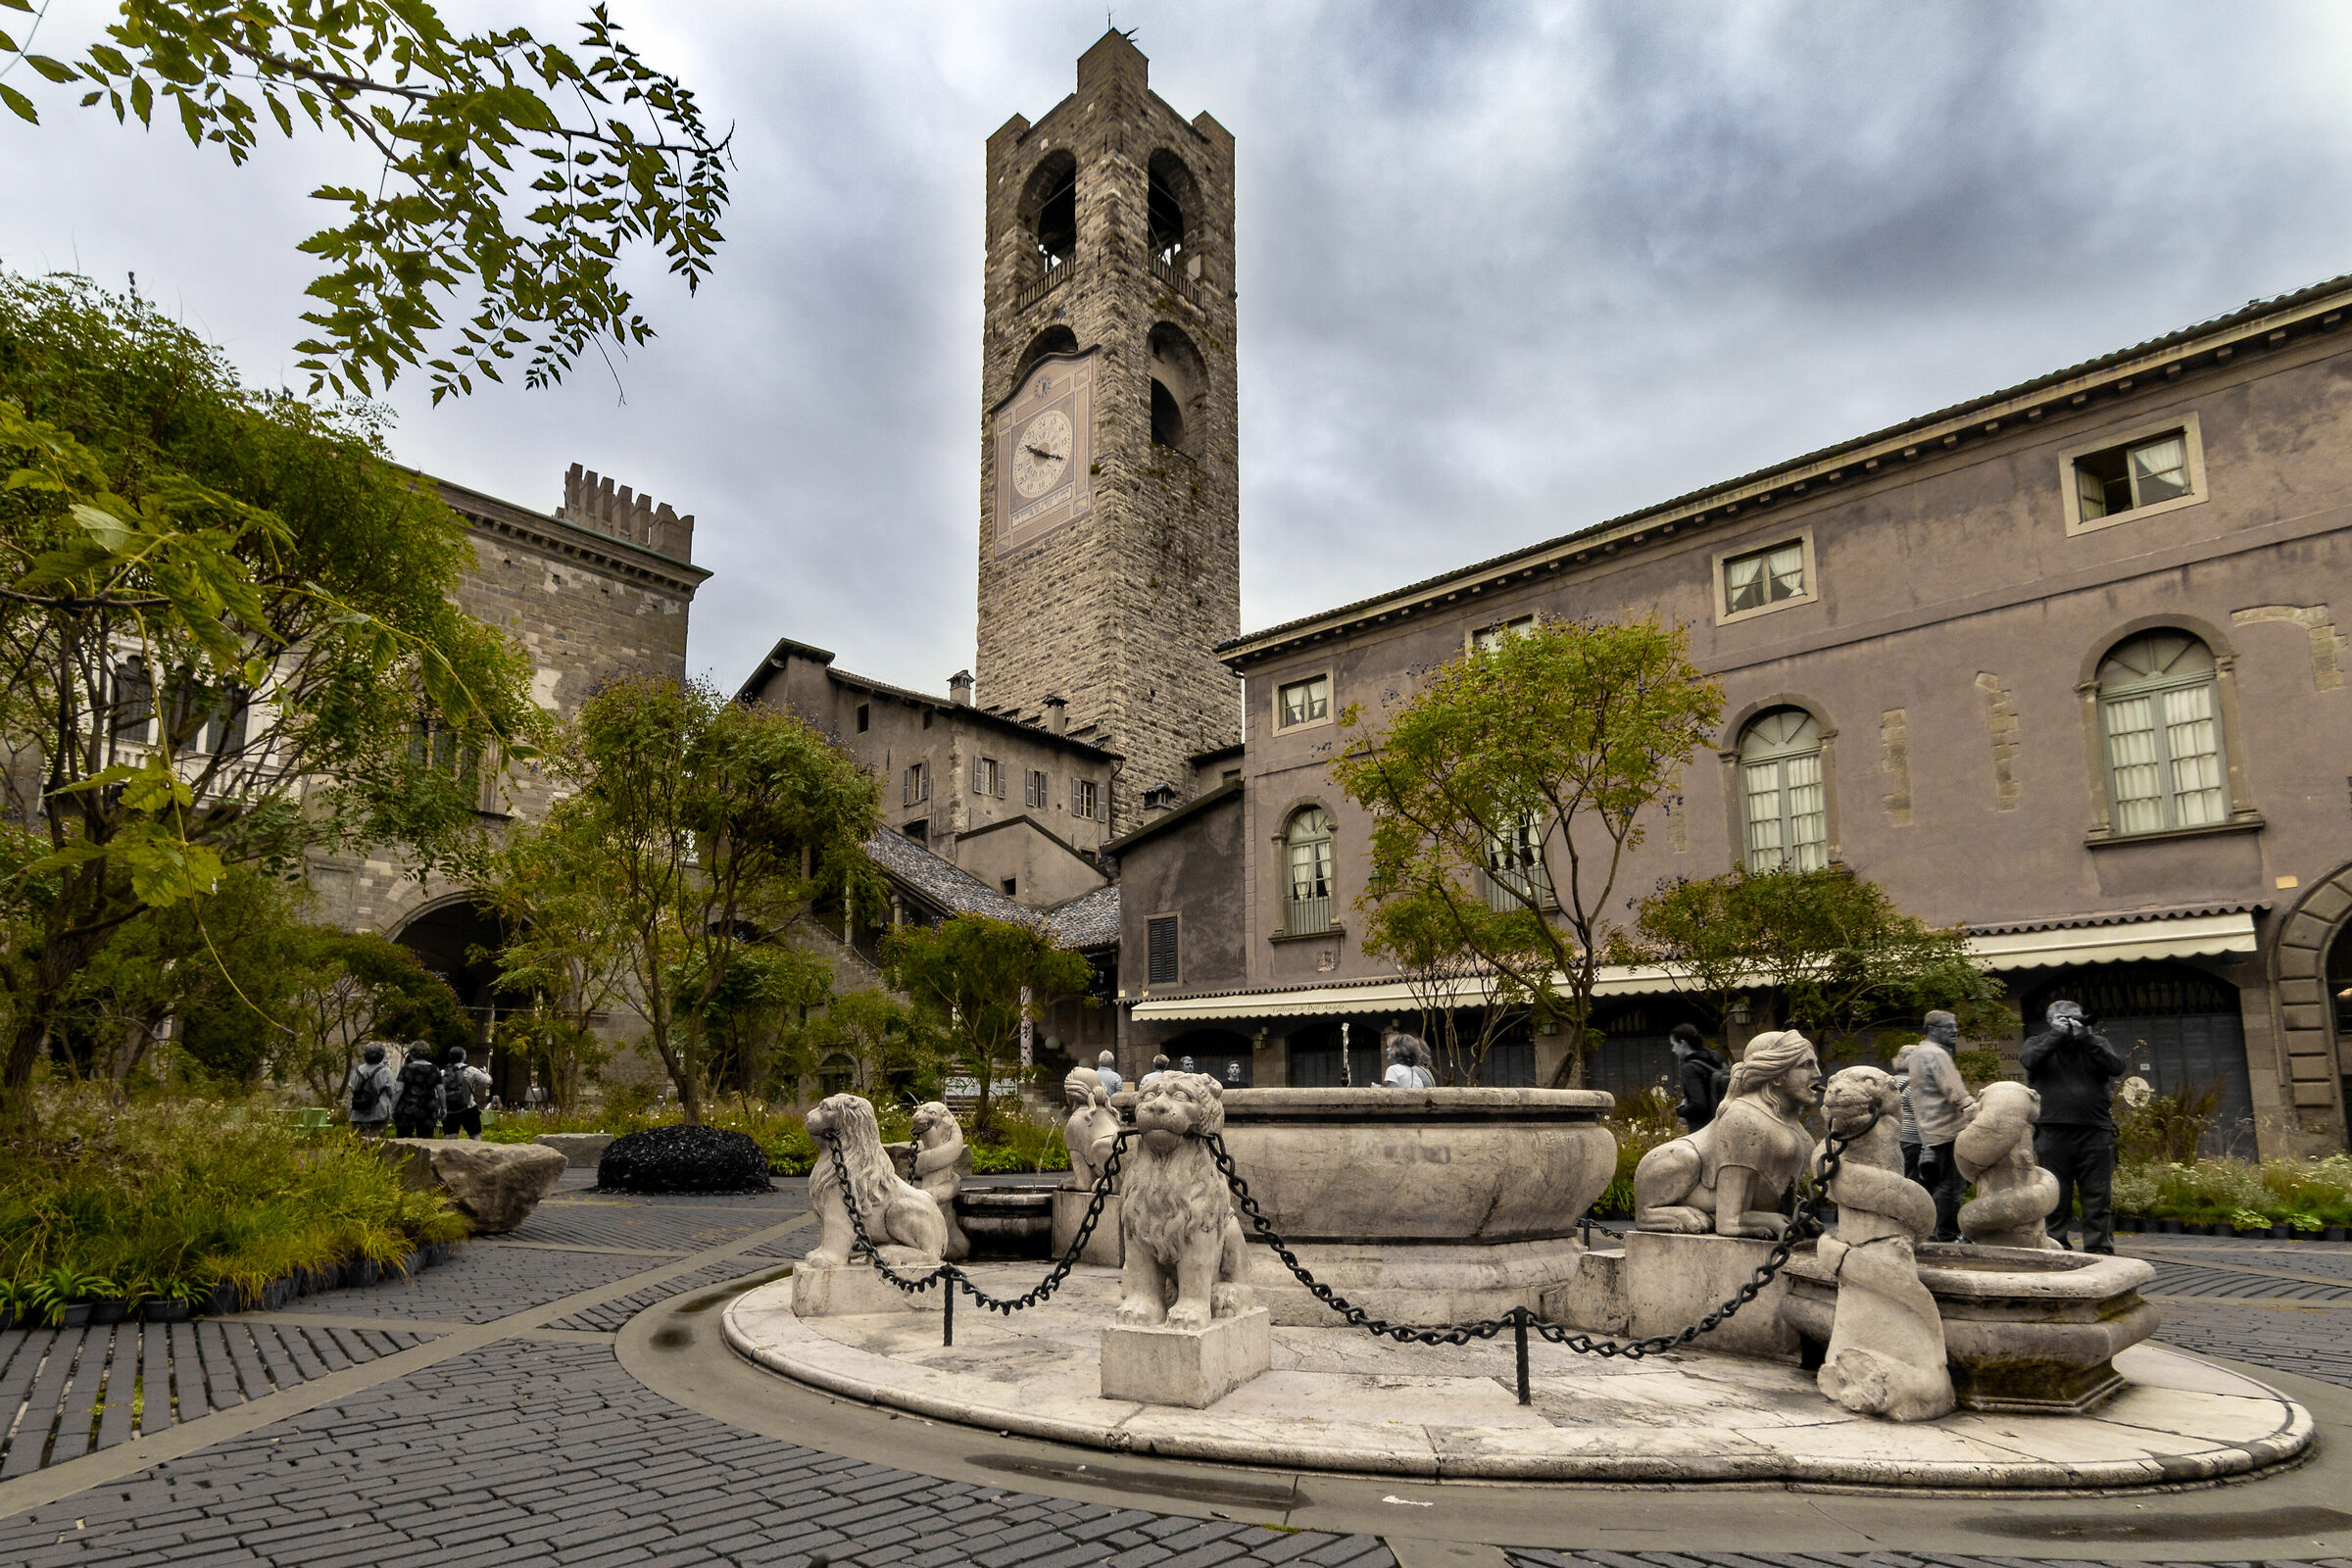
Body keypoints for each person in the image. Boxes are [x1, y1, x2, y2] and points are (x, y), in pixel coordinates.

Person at [2022, 1000, 2128, 1253]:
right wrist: (2055, 1037)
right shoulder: (2037, 1043)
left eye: (2078, 1018)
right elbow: (2029, 1060)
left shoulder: (2095, 1044)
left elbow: (2116, 1067)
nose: (2074, 1023)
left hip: (2095, 1130)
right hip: (2053, 1131)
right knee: (2055, 1194)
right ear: (2052, 1021)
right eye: (2067, 1019)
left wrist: (2087, 1040)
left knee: (2098, 1196)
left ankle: (2099, 1249)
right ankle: (2056, 1247)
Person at [1908, 1010, 1978, 1243]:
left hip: (1930, 1130)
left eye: (1955, 1025)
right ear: (1932, 1030)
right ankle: (1946, 1235)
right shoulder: (1935, 1054)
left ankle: (1932, 1231)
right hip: (1948, 1131)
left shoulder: (1918, 1052)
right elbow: (1955, 1091)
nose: (1955, 1030)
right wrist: (1976, 1110)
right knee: (1952, 1186)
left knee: (1936, 1186)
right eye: (1949, 1027)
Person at [1669, 1023, 1727, 1131]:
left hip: (1703, 1130)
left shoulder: (1690, 1068)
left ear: (1682, 1043)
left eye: (1673, 1045)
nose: (1673, 1049)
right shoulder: (1715, 1057)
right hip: (1723, 1123)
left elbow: (1699, 1105)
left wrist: (1680, 1111)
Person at [390, 1043, 444, 1140]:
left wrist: (392, 1108)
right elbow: (441, 1090)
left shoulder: (406, 1069)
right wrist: (444, 1107)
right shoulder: (435, 1069)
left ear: (411, 1053)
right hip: (428, 1109)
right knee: (426, 1140)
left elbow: (398, 1090)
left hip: (407, 1108)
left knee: (403, 1138)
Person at [343, 1044, 396, 1137]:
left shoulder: (357, 1071)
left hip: (358, 1111)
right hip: (379, 1112)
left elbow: (352, 1088)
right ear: (381, 1056)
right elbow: (392, 1092)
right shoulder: (385, 1072)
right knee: (377, 1142)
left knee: (357, 1142)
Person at [440, 1045, 491, 1140]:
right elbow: (488, 1082)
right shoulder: (472, 1070)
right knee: (475, 1135)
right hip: (469, 1107)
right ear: (464, 1057)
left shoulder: (443, 1073)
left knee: (449, 1137)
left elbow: (438, 1090)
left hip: (450, 1108)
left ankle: (448, 1154)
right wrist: (485, 1073)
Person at [1889, 1043, 1924, 1183]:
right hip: (1912, 1141)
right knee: (1911, 1181)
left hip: (1892, 1137)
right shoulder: (1915, 1085)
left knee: (1897, 1176)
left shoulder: (1889, 1082)